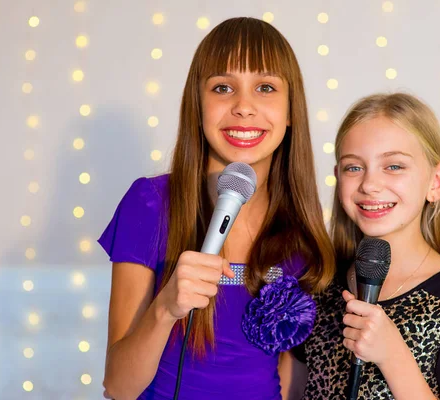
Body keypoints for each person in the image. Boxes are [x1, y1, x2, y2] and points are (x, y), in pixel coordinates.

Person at [97, 17, 334, 400]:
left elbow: (293, 379)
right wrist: (165, 309)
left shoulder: (300, 231)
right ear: (198, 103)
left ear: (291, 112)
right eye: (223, 88)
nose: (244, 107)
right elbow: (119, 387)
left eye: (265, 88)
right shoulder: (151, 203)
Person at [293, 93, 440, 399]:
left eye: (393, 166)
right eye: (354, 168)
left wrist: (394, 357)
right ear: (338, 177)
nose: (369, 184)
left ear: (436, 182)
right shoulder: (320, 287)